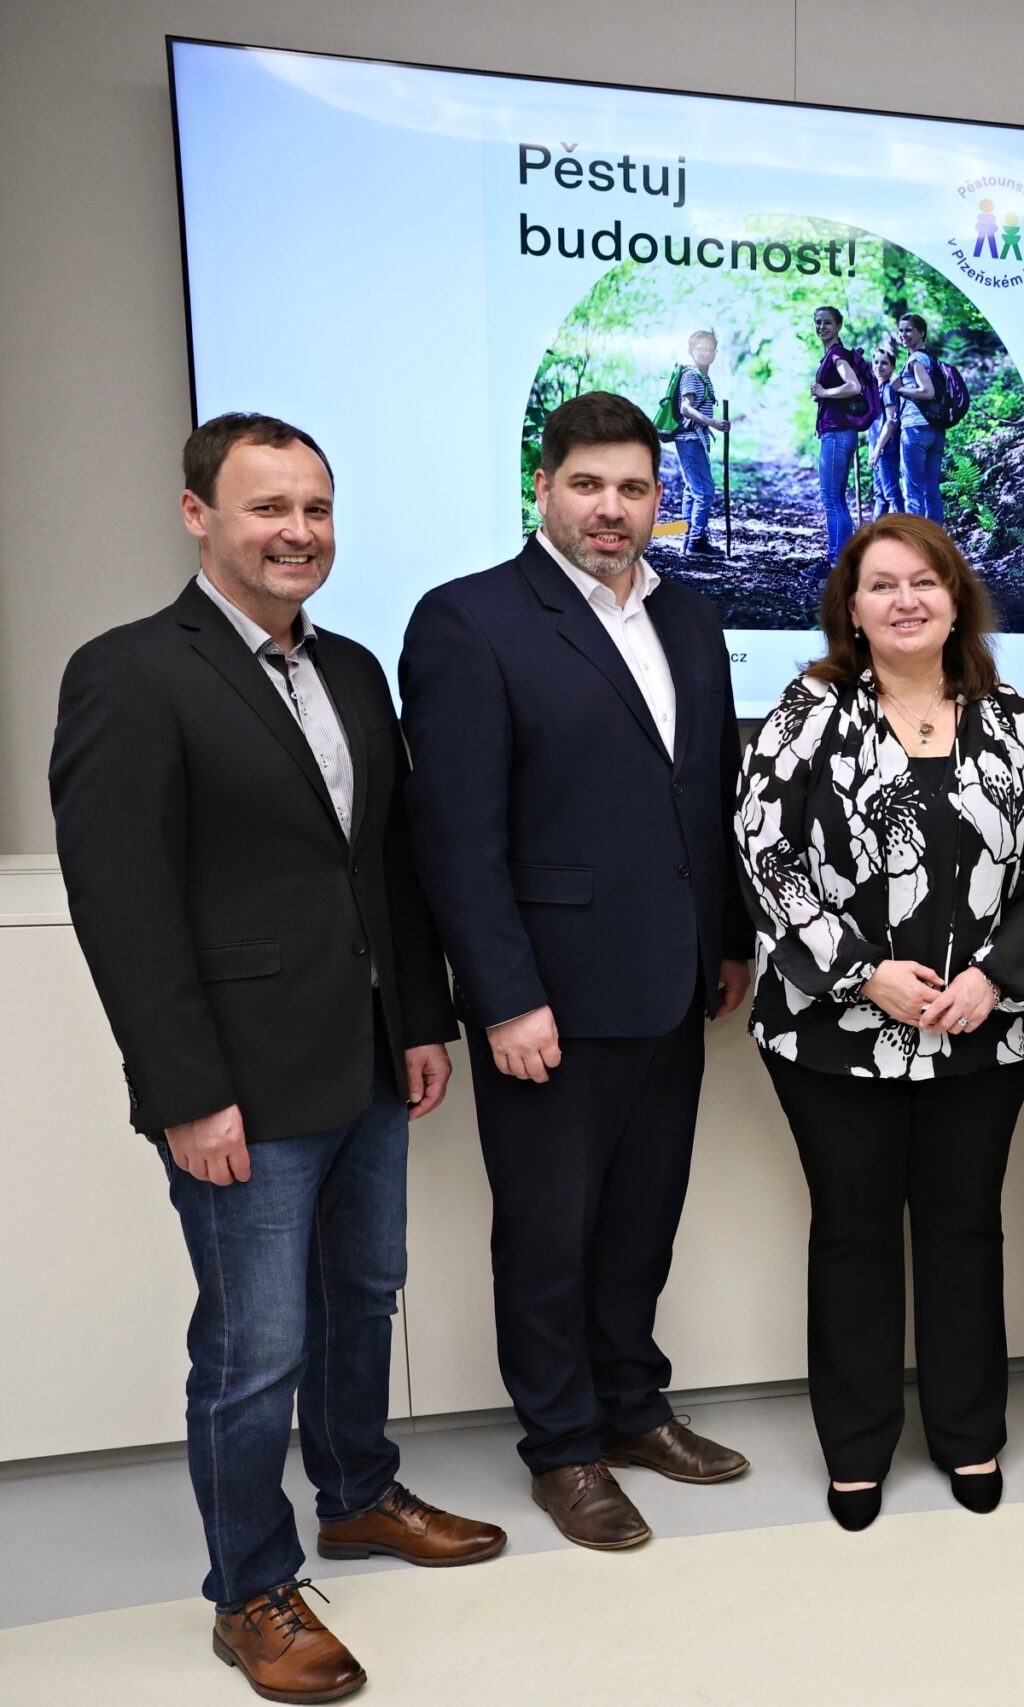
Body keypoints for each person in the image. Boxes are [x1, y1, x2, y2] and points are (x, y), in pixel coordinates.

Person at [50, 414, 505, 1702]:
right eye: (268, 508)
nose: (298, 532)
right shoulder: (130, 673)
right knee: (255, 1348)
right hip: (240, 1086)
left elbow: (384, 866)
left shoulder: (351, 668)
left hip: (365, 1060)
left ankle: (357, 1494)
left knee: (365, 1295)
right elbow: (123, 908)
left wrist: (418, 1019)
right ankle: (250, 1587)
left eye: (315, 508)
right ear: (197, 515)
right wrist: (187, 1095)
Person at [401, 391, 755, 1552]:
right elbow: (456, 837)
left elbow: (707, 790)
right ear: (542, 489)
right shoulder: (469, 621)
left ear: (659, 500)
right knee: (548, 1236)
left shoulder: (690, 616)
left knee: (642, 1221)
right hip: (547, 999)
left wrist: (729, 939)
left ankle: (631, 1408)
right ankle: (562, 1447)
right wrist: (504, 997)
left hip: (673, 982)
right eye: (589, 486)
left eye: (634, 489)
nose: (612, 509)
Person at [736, 513, 1024, 1531]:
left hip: (982, 1033)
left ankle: (969, 1433)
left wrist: (994, 980)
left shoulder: (1012, 718)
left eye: (925, 581)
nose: (906, 600)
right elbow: (762, 850)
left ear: (957, 599)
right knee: (854, 1234)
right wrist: (862, 974)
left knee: (965, 1228)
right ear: (851, 607)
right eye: (882, 585)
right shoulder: (809, 710)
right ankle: (857, 1446)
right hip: (831, 1035)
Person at [810, 306, 880, 566]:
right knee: (837, 498)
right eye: (818, 322)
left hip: (837, 433)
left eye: (827, 322)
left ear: (839, 326)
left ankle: (836, 561)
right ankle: (840, 559)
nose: (822, 327)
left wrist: (824, 392)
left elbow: (854, 386)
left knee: (831, 499)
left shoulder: (837, 354)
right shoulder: (832, 354)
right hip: (841, 432)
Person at [671, 329, 729, 555]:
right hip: (690, 439)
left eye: (710, 349)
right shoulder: (691, 376)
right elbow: (686, 408)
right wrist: (712, 422)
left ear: (715, 352)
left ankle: (689, 540)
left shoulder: (703, 376)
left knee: (692, 490)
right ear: (691, 351)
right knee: (704, 491)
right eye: (701, 349)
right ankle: (697, 541)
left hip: (694, 439)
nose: (705, 353)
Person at [890, 312, 948, 524]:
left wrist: (900, 389)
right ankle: (935, 540)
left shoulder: (915, 360)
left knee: (913, 491)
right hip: (936, 428)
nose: (903, 334)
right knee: (931, 490)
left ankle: (915, 541)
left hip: (916, 428)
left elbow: (928, 392)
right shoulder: (932, 359)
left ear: (922, 333)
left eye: (909, 330)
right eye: (901, 330)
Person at [868, 344, 904, 526]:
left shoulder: (889, 389)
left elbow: (890, 422)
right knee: (880, 494)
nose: (879, 366)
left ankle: (904, 531)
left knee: (891, 493)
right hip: (876, 447)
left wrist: (877, 449)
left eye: (884, 363)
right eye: (876, 362)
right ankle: (876, 534)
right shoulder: (877, 389)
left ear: (892, 366)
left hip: (886, 448)